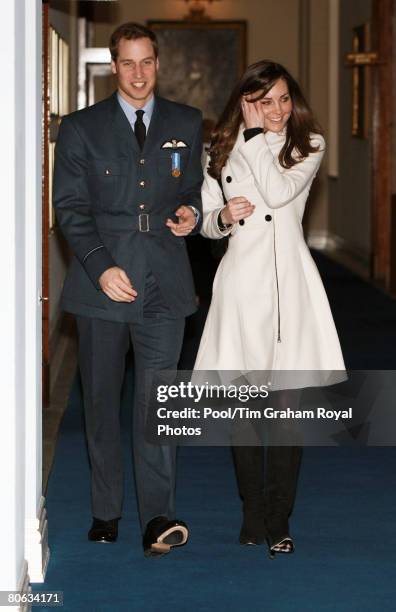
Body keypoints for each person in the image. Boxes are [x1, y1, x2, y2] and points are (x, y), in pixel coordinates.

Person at [53, 22, 203, 557]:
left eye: (148, 62)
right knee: (100, 401)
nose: (139, 74)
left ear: (157, 63)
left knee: (159, 403)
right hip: (103, 285)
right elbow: (69, 209)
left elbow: (190, 189)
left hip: (165, 280)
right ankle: (106, 510)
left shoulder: (187, 122)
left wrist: (191, 212)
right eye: (128, 63)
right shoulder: (80, 128)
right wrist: (99, 266)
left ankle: (158, 516)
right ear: (113, 67)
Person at [193, 60, 345, 556]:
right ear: (245, 101)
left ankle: (280, 520)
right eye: (264, 101)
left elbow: (279, 195)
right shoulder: (218, 149)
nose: (276, 109)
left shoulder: (309, 145)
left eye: (283, 98)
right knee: (243, 411)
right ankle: (252, 513)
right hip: (240, 285)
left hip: (289, 290)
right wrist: (221, 216)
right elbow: (207, 223)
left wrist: (256, 135)